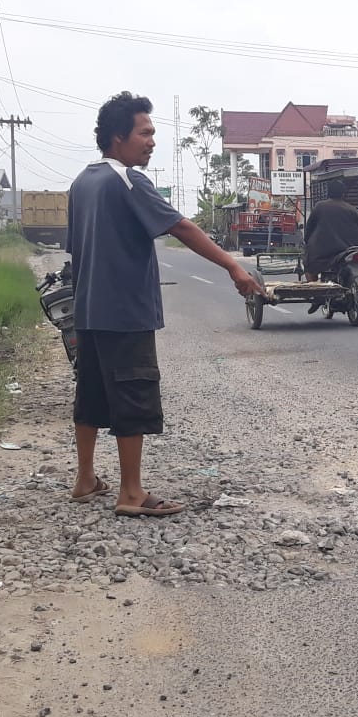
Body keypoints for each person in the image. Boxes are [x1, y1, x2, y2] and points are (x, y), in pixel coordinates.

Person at [66, 91, 263, 518]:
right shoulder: (128, 180)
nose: (152, 141)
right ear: (118, 137)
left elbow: (76, 253)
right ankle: (131, 493)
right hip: (126, 311)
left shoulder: (82, 181)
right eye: (145, 132)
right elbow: (181, 226)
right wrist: (233, 266)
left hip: (89, 311)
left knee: (92, 393)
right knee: (132, 395)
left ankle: (85, 479)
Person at [302, 179, 358, 313]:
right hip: (350, 249)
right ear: (343, 194)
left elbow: (309, 228)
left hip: (324, 252)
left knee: (308, 265)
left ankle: (315, 292)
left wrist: (307, 241)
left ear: (328, 193)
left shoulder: (320, 206)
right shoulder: (352, 209)